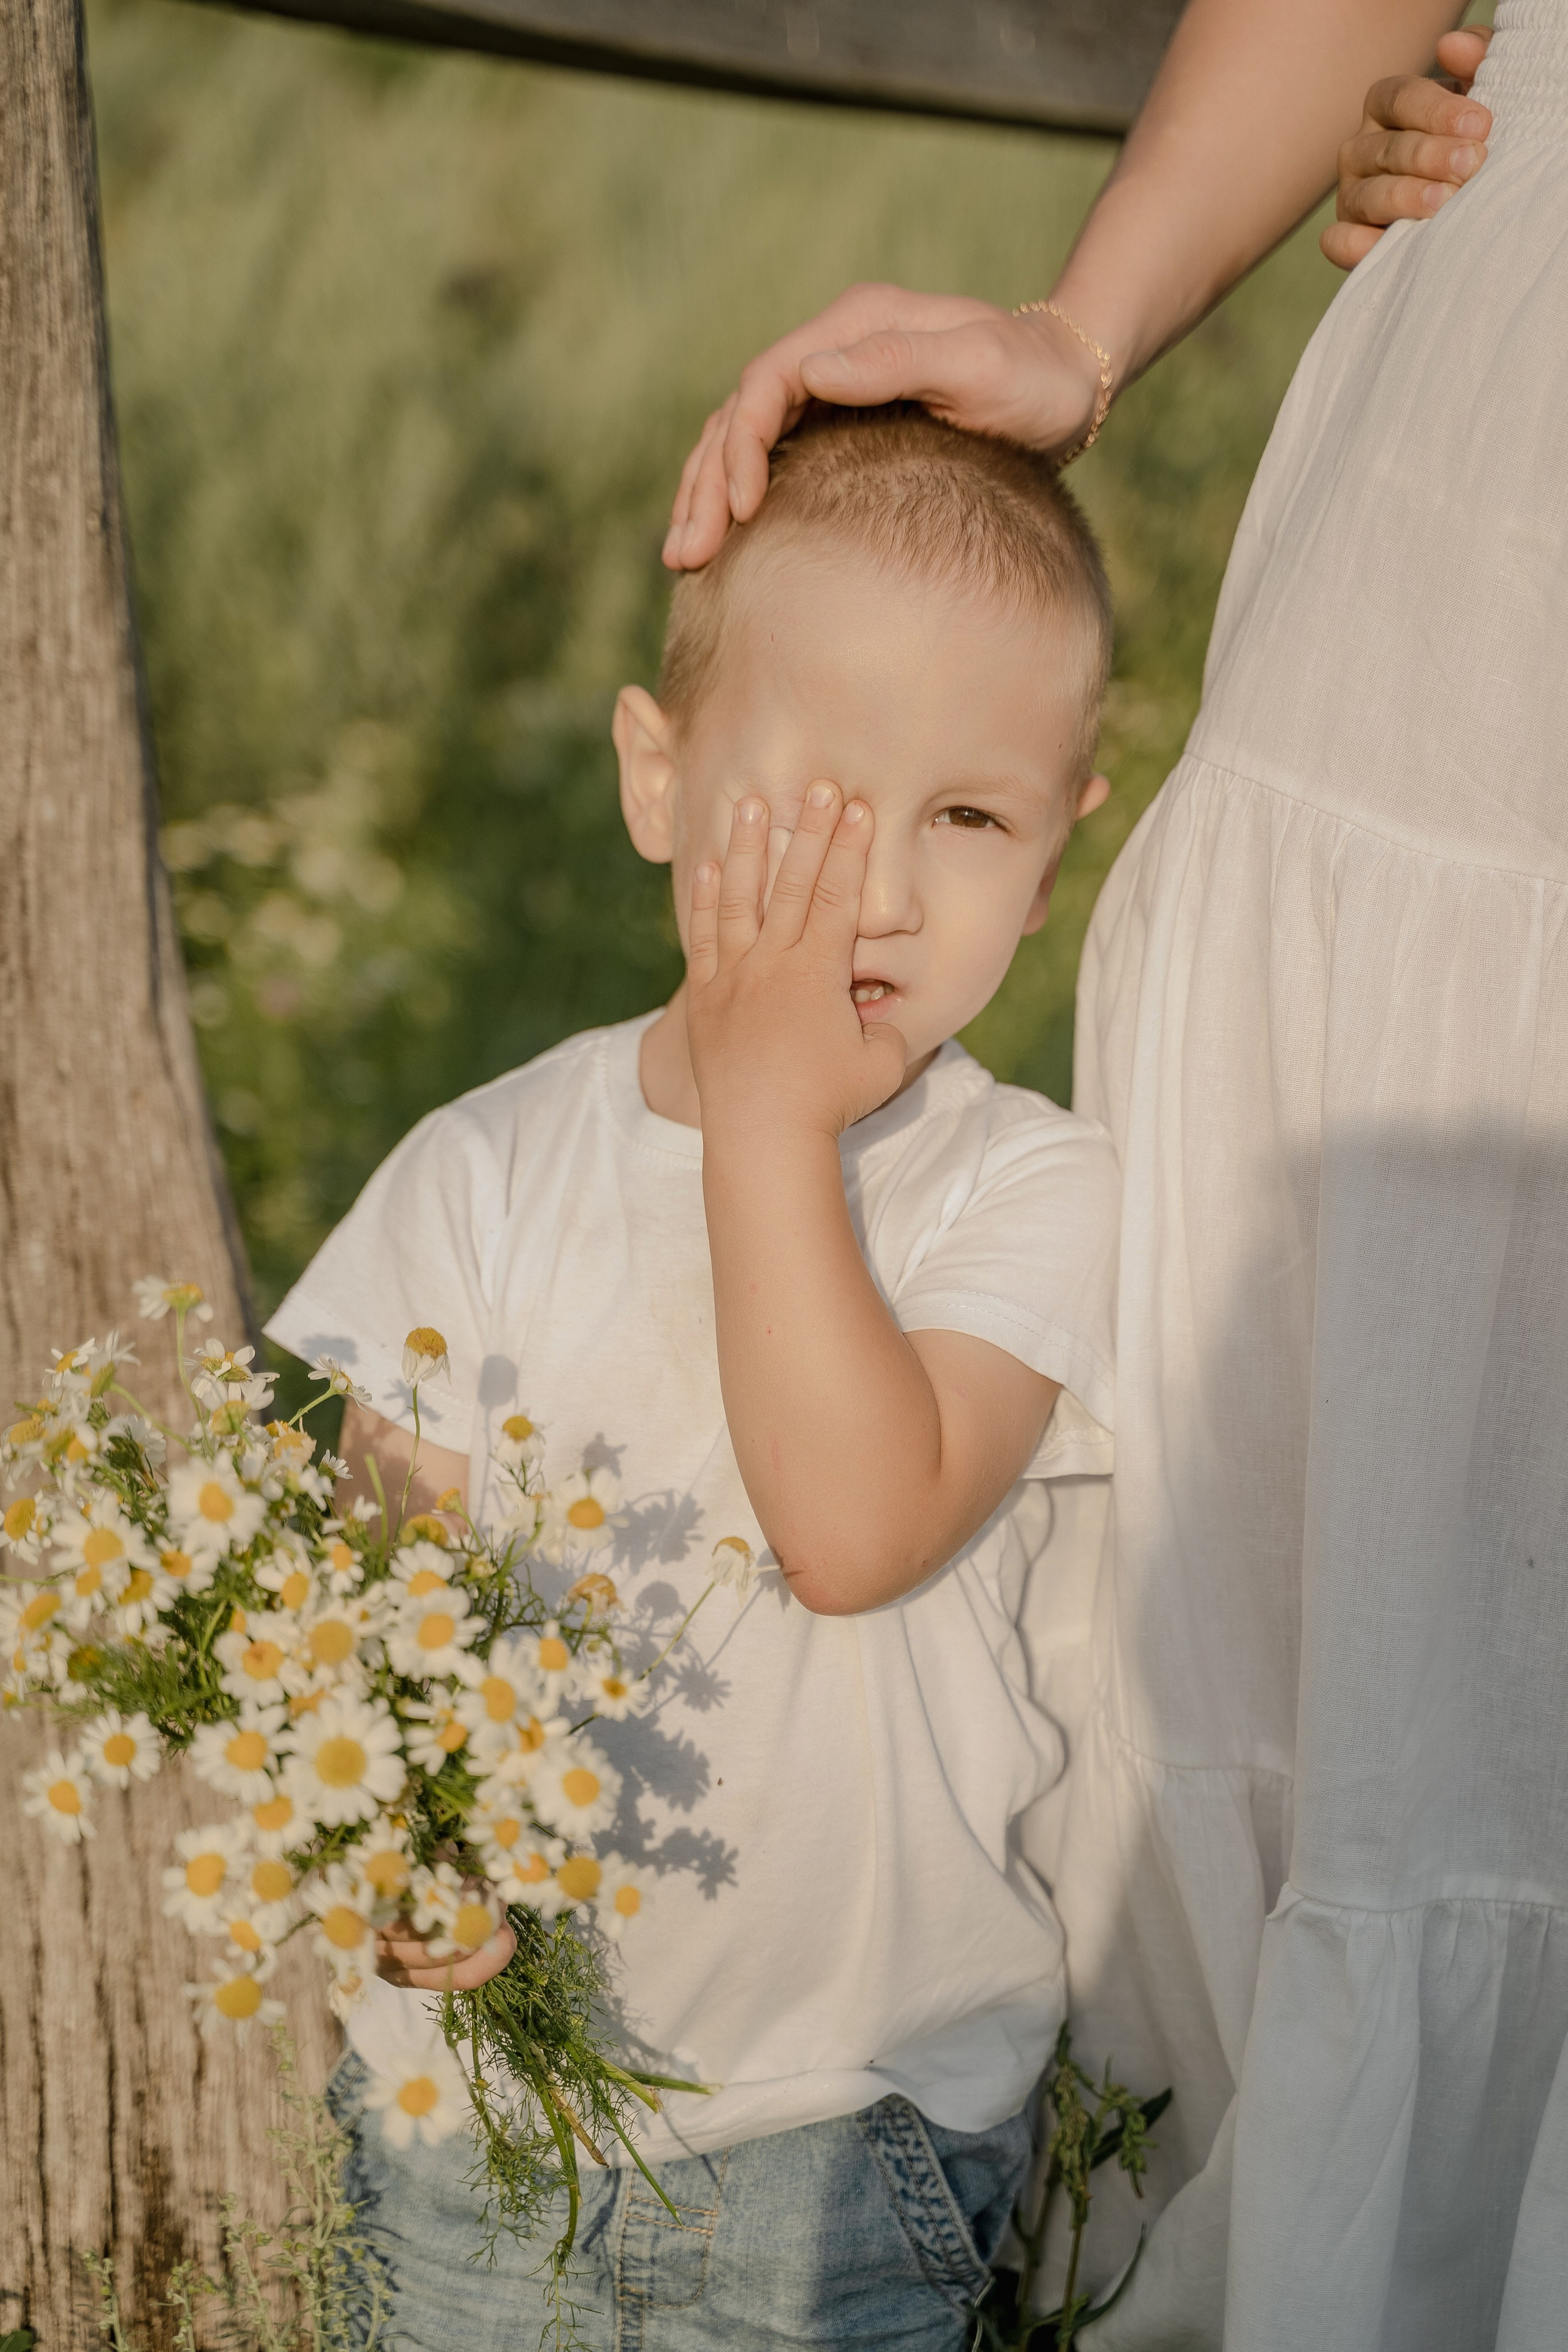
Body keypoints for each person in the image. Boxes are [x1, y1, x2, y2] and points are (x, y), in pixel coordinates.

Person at [662, 7, 1568, 2349]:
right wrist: (1085, 321)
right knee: (1371, 1636)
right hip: (1496, 517)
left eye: (958, 825)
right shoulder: (516, 1169)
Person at [266, 405, 1123, 2350]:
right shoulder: (483, 1174)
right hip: (476, 2125)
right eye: (817, 806)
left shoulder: (1031, 1185)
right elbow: (382, 1609)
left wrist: (763, 1115)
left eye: (968, 820)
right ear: (658, 783)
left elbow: (856, 1525)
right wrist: (403, 1851)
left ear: (1057, 859)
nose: (883, 894)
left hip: (844, 2147)